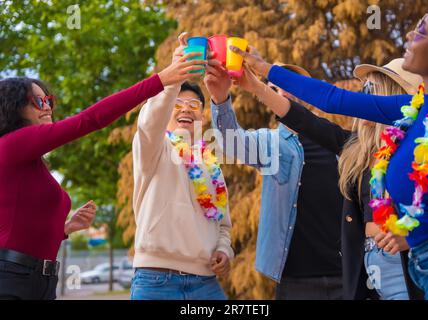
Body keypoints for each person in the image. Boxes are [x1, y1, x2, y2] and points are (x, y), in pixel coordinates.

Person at [231, 1, 428, 299]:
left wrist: (421, 231)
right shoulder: (416, 110)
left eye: (423, 31)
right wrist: (263, 70)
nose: (411, 34)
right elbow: (333, 100)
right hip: (417, 266)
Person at [0, 48, 205, 300]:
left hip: (40, 280)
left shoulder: (30, 160)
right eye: (38, 101)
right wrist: (161, 80)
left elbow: (20, 224)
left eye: (49, 100)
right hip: (12, 279)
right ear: (14, 108)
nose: (47, 107)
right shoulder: (12, 144)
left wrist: (66, 229)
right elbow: (90, 120)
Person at [204, 61, 343, 300]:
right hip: (295, 279)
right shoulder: (270, 142)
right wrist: (220, 99)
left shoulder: (337, 141)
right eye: (276, 89)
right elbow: (231, 142)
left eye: (291, 86)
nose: (285, 93)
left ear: (308, 94)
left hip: (345, 275)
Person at [130, 33, 233, 300]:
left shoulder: (211, 165)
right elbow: (150, 121)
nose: (185, 110)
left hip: (206, 283)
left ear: (201, 115)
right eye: (177, 105)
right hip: (155, 279)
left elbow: (223, 224)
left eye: (193, 105)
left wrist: (224, 250)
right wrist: (173, 79)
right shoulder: (152, 149)